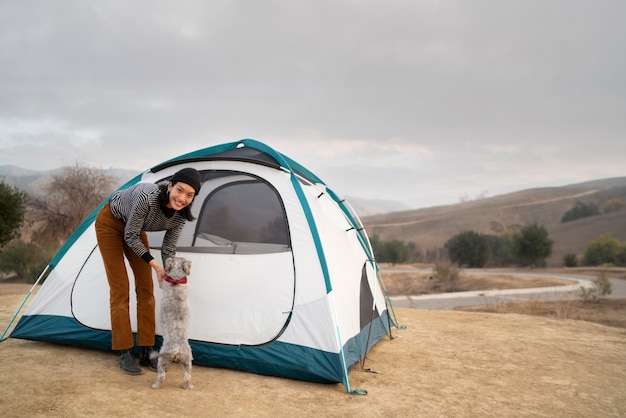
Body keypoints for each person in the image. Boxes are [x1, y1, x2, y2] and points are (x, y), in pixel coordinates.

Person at [95, 167, 201, 375]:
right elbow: (131, 236)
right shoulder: (147, 197)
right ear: (170, 185)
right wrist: (155, 265)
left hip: (134, 228)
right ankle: (124, 351)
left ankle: (146, 349)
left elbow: (169, 249)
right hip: (110, 224)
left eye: (190, 195)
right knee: (120, 287)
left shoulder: (179, 216)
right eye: (179, 190)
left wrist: (172, 275)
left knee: (146, 288)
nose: (182, 198)